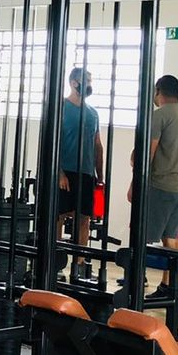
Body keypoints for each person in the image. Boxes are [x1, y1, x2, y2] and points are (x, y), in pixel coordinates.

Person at [143, 74, 178, 298]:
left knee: (143, 236)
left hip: (162, 185)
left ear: (158, 91)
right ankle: (169, 285)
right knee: (171, 238)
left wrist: (137, 183)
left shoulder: (160, 116)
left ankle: (136, 282)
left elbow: (148, 152)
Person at [57, 67, 104, 281]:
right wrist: (59, 172)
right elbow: (51, 142)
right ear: (73, 82)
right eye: (86, 80)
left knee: (84, 219)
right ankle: (56, 263)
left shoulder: (93, 113)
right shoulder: (60, 107)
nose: (89, 85)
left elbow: (98, 145)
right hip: (65, 171)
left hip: (86, 173)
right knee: (58, 217)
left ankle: (80, 264)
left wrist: (100, 176)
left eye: (90, 81)